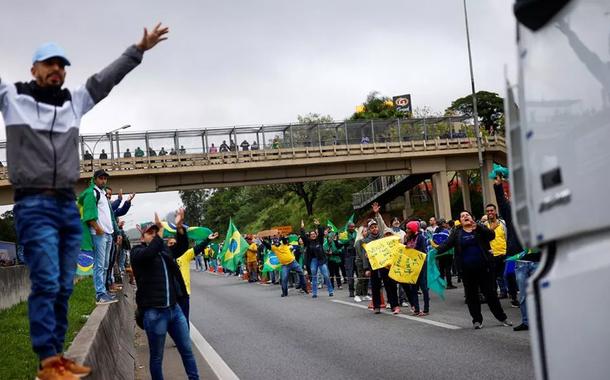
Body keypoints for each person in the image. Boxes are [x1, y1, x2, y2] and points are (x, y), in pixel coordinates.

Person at [1, 23, 168, 378]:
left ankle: (57, 356)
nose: (56, 70)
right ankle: (48, 363)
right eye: (49, 64)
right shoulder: (12, 98)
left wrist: (138, 49)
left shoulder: (73, 102)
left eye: (62, 65)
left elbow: (106, 80)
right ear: (34, 69)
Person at [130, 209, 200, 380]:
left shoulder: (164, 251)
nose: (154, 235)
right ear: (142, 237)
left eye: (155, 232)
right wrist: (160, 235)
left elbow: (182, 247)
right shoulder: (137, 253)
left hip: (175, 311)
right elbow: (149, 253)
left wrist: (179, 227)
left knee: (187, 350)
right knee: (156, 357)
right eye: (150, 233)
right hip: (154, 314)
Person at [435, 210, 512, 329]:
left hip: (485, 268)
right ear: (460, 221)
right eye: (462, 216)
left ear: (472, 217)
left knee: (491, 294)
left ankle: (502, 317)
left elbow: (492, 235)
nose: (465, 217)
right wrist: (434, 252)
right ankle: (477, 320)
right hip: (467, 270)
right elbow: (446, 245)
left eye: (467, 215)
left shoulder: (480, 228)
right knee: (472, 296)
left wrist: (479, 227)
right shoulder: (457, 232)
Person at [78, 169, 118, 305]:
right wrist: (97, 228)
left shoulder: (102, 193)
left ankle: (104, 291)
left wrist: (111, 231)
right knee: (99, 265)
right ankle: (100, 294)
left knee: (106, 265)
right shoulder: (92, 193)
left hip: (108, 234)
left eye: (105, 178)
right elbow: (89, 216)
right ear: (95, 179)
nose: (103, 180)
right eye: (101, 178)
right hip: (99, 235)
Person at [174, 231, 219, 324]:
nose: (173, 245)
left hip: (183, 293)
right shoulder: (165, 256)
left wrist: (207, 239)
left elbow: (198, 248)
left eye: (174, 243)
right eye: (170, 244)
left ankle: (185, 337)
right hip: (170, 296)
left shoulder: (185, 255)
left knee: (183, 321)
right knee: (173, 324)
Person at [361, 214, 399, 314]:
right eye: (372, 227)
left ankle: (393, 304)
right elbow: (364, 256)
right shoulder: (366, 241)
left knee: (389, 285)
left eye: (375, 227)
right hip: (373, 267)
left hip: (384, 265)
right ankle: (376, 306)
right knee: (375, 286)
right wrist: (366, 269)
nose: (374, 229)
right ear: (369, 229)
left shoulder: (383, 237)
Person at [301, 218, 333, 298]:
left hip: (321, 260)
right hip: (313, 261)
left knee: (326, 275)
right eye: (311, 234)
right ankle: (314, 293)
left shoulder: (320, 240)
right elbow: (303, 237)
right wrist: (302, 228)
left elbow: (321, 233)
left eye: (314, 234)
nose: (313, 235)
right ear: (310, 236)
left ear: (316, 234)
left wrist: (318, 225)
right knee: (314, 276)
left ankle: (330, 291)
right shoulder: (308, 242)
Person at [484, 203, 510, 299]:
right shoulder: (485, 225)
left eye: (491, 210)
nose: (490, 212)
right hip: (492, 254)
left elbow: (507, 237)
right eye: (488, 211)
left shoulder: (503, 223)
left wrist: (508, 249)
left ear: (495, 211)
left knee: (507, 274)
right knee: (495, 276)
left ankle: (511, 292)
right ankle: (501, 292)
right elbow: (484, 239)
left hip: (504, 253)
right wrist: (491, 229)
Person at [403, 221, 430, 316]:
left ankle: (426, 309)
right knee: (413, 287)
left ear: (414, 229)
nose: (407, 230)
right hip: (412, 265)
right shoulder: (408, 238)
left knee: (423, 286)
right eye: (406, 228)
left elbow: (422, 251)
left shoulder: (421, 237)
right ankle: (416, 309)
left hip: (421, 264)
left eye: (409, 228)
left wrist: (411, 249)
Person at [337, 222, 357, 298]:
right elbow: (339, 244)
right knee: (350, 274)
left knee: (359, 273)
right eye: (351, 227)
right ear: (348, 227)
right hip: (348, 256)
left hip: (357, 255)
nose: (353, 228)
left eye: (354, 227)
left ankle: (361, 291)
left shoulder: (356, 233)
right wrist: (349, 239)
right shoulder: (344, 234)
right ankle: (351, 291)